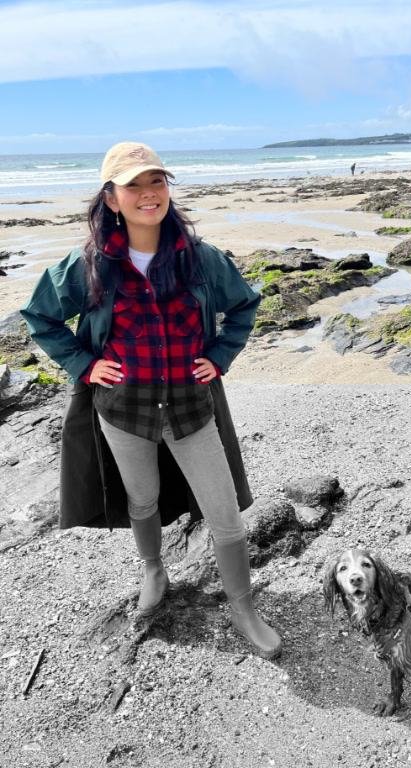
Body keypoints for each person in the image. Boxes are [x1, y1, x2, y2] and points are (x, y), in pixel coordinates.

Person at [21, 142, 281, 660]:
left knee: (224, 514)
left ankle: (243, 606)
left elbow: (245, 305)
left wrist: (221, 354)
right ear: (112, 198)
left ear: (167, 190)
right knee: (142, 499)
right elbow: (41, 317)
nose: (148, 194)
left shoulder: (201, 258)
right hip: (123, 409)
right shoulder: (88, 264)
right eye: (133, 185)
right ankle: (152, 569)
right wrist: (85, 365)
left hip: (190, 406)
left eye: (156, 182)